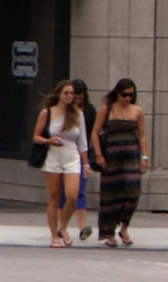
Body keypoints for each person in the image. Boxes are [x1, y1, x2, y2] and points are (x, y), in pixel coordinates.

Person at [32, 79, 89, 248]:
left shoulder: (78, 113)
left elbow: (83, 141)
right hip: (53, 155)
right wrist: (48, 141)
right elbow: (36, 137)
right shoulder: (47, 113)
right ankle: (54, 236)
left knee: (72, 195)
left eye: (71, 93)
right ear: (59, 94)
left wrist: (86, 164)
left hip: (71, 155)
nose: (69, 96)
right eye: (66, 92)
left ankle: (62, 227)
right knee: (54, 197)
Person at [92, 78, 148, 247]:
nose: (127, 98)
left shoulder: (137, 111)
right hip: (112, 158)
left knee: (132, 193)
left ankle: (124, 227)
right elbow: (94, 132)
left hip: (131, 157)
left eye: (131, 95)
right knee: (111, 195)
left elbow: (142, 135)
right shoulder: (106, 110)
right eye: (124, 94)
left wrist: (144, 158)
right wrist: (99, 155)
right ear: (117, 93)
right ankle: (109, 233)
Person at [61, 78, 97, 241]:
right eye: (75, 98)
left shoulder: (88, 111)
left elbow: (87, 137)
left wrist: (88, 161)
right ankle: (62, 227)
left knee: (78, 192)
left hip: (80, 154)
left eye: (80, 99)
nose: (77, 102)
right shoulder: (62, 111)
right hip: (62, 153)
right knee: (63, 193)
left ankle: (82, 227)